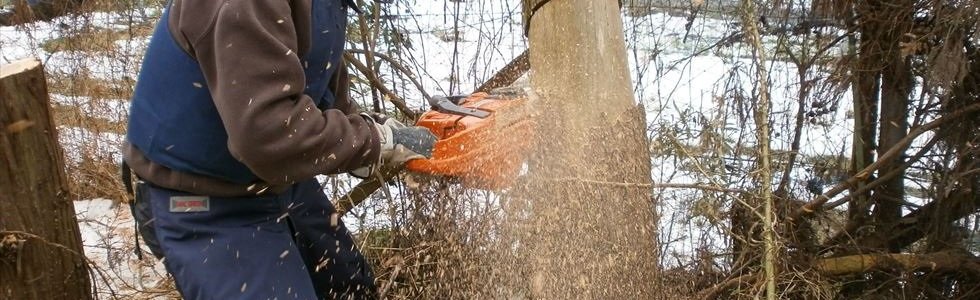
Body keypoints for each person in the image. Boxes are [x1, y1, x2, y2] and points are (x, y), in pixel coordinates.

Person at [122, 0, 435, 299]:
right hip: (200, 201)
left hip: (274, 181)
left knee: (348, 285)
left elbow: (318, 83)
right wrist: (376, 142)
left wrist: (371, 134)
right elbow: (269, 133)